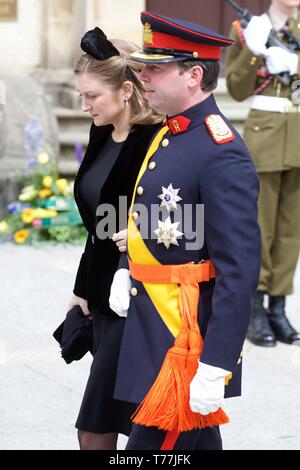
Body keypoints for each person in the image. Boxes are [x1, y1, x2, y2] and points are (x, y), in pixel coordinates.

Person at [109, 11, 261, 450]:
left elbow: (240, 269)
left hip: (184, 337)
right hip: (154, 322)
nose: (142, 78)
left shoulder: (220, 151)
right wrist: (128, 263)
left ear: (194, 74)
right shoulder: (171, 133)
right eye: (142, 67)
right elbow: (157, 216)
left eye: (155, 69)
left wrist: (217, 362)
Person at [69, 27, 162, 450]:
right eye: (82, 96)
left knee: (97, 428)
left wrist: (142, 235)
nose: (85, 105)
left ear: (127, 90)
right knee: (116, 424)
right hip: (104, 297)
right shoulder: (102, 131)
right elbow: (98, 226)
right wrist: (80, 289)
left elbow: (185, 215)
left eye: (92, 96)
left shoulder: (155, 140)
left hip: (141, 299)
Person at [226, 0, 300, 347]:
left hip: (297, 135)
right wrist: (254, 52)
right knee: (261, 227)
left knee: (290, 230)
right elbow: (238, 90)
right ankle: (254, 308)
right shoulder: (247, 29)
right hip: (265, 135)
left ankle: (278, 309)